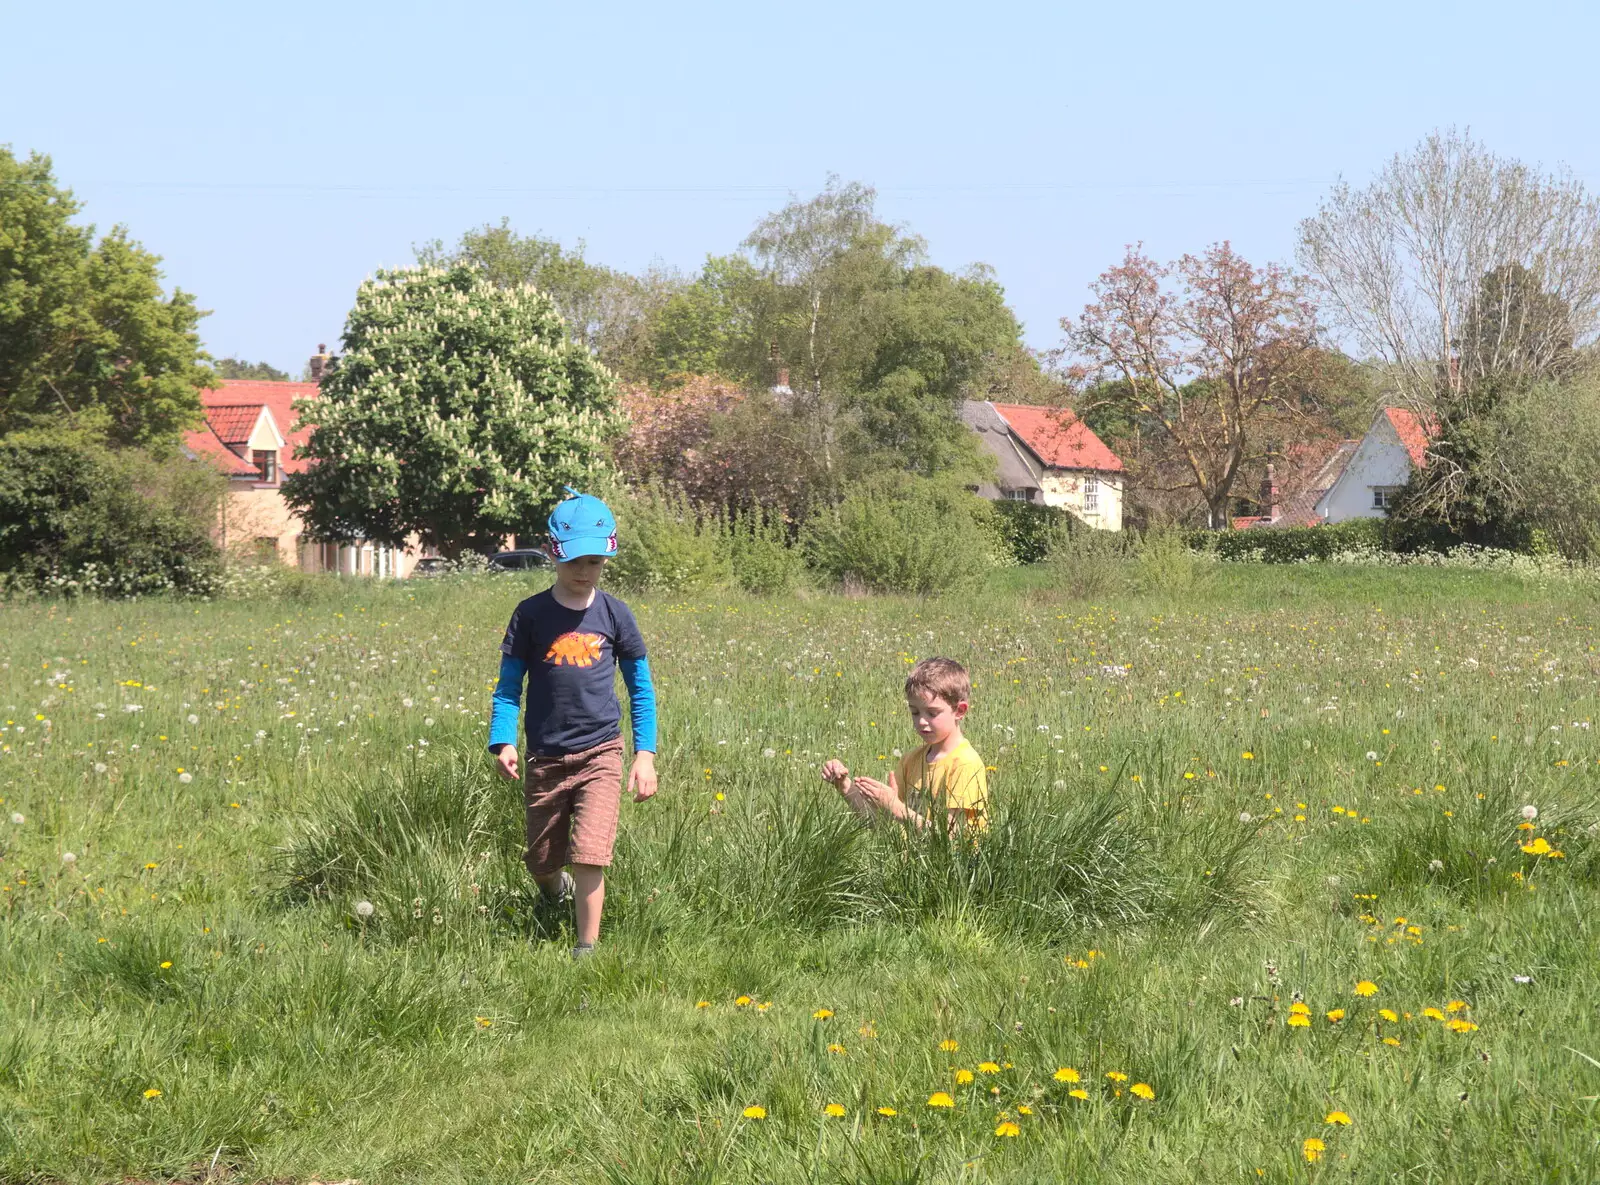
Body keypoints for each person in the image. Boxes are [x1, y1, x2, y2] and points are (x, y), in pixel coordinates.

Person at [488, 489, 658, 959]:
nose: (584, 571)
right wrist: (502, 740)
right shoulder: (530, 615)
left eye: (595, 562)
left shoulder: (615, 614)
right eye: (575, 561)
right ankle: (552, 893)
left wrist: (645, 755)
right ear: (551, 553)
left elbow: (641, 688)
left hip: (602, 751)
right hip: (545, 755)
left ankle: (587, 949)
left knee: (589, 854)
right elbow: (508, 688)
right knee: (541, 861)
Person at [821, 656, 987, 834]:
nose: (922, 721)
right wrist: (844, 785)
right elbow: (880, 823)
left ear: (959, 711)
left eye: (932, 713)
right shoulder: (910, 760)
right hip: (911, 861)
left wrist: (896, 808)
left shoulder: (965, 764)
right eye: (915, 712)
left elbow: (952, 837)